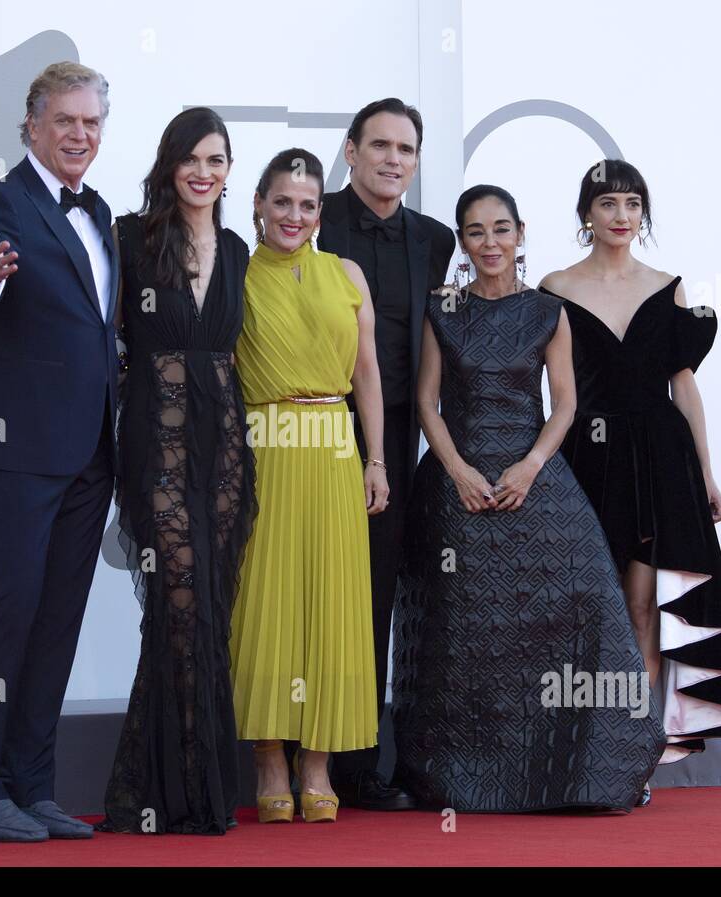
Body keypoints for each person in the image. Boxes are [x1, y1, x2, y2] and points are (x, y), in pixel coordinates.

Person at [393, 185, 663, 811]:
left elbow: (565, 403)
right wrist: (457, 469)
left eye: (500, 229)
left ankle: (586, 771)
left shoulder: (547, 311)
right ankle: (458, 774)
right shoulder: (444, 309)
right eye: (475, 232)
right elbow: (428, 403)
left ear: (520, 235)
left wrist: (531, 465)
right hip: (457, 487)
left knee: (588, 602)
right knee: (462, 634)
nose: (490, 243)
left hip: (533, 477)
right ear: (462, 242)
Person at [538, 159, 721, 793]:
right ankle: (580, 743)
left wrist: (707, 473)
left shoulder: (669, 288)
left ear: (643, 215)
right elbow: (556, 389)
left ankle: (629, 752)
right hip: (586, 456)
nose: (621, 216)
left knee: (642, 605)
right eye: (608, 204)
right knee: (591, 604)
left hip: (660, 458)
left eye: (633, 205)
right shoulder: (555, 286)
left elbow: (684, 387)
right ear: (586, 213)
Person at [0, 62, 119, 841]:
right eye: (66, 122)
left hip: (90, 452)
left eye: (91, 122)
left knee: (58, 623)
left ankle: (34, 785)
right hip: (16, 448)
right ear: (32, 126)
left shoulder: (104, 213)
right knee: (11, 615)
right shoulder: (0, 203)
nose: (80, 135)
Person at [97, 108, 255, 835]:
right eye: (191, 158)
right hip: (156, 445)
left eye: (216, 160)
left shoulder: (238, 248)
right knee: (180, 603)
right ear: (169, 164)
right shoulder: (130, 238)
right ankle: (173, 788)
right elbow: (105, 339)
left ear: (229, 171)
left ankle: (174, 785)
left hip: (223, 446)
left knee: (206, 613)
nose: (204, 172)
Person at [229, 148, 388, 823]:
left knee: (331, 603)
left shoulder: (346, 275)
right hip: (263, 451)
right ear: (259, 205)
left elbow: (369, 376)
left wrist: (375, 460)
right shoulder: (231, 275)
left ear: (322, 212)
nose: (294, 215)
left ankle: (317, 762)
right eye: (282, 202)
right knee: (267, 603)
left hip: (332, 450)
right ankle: (270, 759)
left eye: (308, 204)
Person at [313, 98, 454, 811]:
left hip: (393, 438)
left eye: (406, 148)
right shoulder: (315, 218)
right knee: (312, 587)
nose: (393, 158)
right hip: (313, 429)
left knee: (373, 593)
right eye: (380, 146)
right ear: (351, 150)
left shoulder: (435, 240)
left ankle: (361, 764)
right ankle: (296, 756)